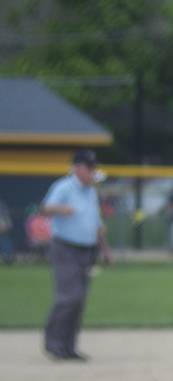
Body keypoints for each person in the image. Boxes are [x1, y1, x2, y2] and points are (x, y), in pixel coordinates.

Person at [40, 149, 111, 361]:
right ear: (78, 168)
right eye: (90, 168)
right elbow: (45, 208)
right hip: (65, 247)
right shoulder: (64, 186)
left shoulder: (91, 191)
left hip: (87, 249)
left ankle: (69, 346)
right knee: (69, 297)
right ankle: (54, 344)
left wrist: (105, 249)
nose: (93, 172)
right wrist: (62, 209)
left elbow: (97, 223)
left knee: (79, 299)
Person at [0, 196, 14, 264]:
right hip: (3, 229)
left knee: (5, 241)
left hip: (4, 230)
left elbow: (8, 222)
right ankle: (7, 257)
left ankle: (8, 257)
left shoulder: (2, 207)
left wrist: (6, 226)